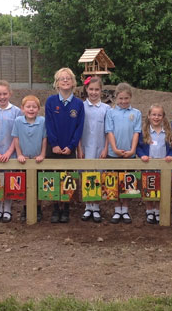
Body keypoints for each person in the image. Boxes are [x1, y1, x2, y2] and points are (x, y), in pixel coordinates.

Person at [44, 67, 85, 223]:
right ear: (57, 83)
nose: (65, 80)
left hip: (70, 148)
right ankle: (55, 208)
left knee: (68, 178)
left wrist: (72, 146)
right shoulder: (50, 102)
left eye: (68, 78)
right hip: (53, 147)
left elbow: (79, 128)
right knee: (53, 177)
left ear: (73, 82)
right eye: (62, 78)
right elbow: (49, 124)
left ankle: (66, 208)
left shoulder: (78, 104)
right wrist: (53, 144)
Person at [105, 82, 142, 224]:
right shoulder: (111, 112)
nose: (123, 101)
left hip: (129, 154)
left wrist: (132, 150)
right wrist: (114, 149)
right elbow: (109, 131)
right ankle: (116, 209)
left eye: (126, 98)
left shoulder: (136, 113)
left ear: (130, 98)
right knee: (113, 183)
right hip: (114, 154)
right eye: (120, 98)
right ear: (116, 98)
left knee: (128, 183)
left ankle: (125, 209)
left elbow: (136, 133)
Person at [0, 80, 21, 223]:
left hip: (10, 152)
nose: (2, 97)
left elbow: (17, 133)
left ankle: (7, 209)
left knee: (9, 181)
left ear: (10, 94)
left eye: (4, 94)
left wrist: (8, 152)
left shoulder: (16, 111)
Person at [77, 76, 109, 223]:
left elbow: (109, 131)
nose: (94, 92)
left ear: (101, 91)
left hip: (100, 147)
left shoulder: (106, 109)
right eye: (91, 89)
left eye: (97, 89)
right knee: (86, 176)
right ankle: (87, 206)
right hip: (85, 147)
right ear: (86, 90)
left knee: (98, 176)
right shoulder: (80, 106)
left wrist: (106, 148)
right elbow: (77, 130)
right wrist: (79, 149)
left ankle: (96, 206)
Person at [136, 104, 172, 224]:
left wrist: (170, 155)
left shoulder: (167, 132)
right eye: (154, 114)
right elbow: (138, 147)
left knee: (160, 189)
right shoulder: (144, 132)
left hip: (163, 167)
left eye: (159, 115)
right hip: (148, 166)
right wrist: (142, 155)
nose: (156, 117)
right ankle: (149, 210)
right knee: (148, 188)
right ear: (148, 116)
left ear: (163, 117)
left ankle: (158, 211)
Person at [12, 94, 47, 222]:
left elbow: (44, 139)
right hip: (24, 160)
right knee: (24, 186)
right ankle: (25, 208)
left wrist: (42, 155)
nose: (31, 109)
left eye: (34, 107)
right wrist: (19, 154)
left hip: (38, 159)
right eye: (28, 107)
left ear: (38, 109)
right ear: (22, 108)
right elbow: (16, 139)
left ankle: (38, 208)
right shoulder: (18, 121)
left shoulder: (42, 121)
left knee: (38, 186)